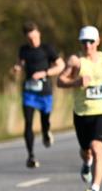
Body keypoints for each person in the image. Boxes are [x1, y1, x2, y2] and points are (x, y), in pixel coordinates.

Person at [58, 25, 102, 191]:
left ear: (98, 41)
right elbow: (60, 81)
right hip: (82, 112)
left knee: (97, 148)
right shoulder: (76, 61)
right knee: (86, 151)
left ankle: (95, 189)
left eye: (91, 41)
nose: (87, 45)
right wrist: (76, 82)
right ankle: (87, 164)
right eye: (84, 42)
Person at [12, 22, 65, 168]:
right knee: (28, 123)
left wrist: (45, 73)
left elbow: (61, 66)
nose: (33, 41)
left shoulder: (47, 49)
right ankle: (31, 156)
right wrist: (17, 68)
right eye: (29, 39)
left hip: (44, 91)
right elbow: (20, 63)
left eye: (34, 37)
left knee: (44, 120)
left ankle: (46, 131)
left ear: (39, 34)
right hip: (29, 91)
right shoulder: (23, 50)